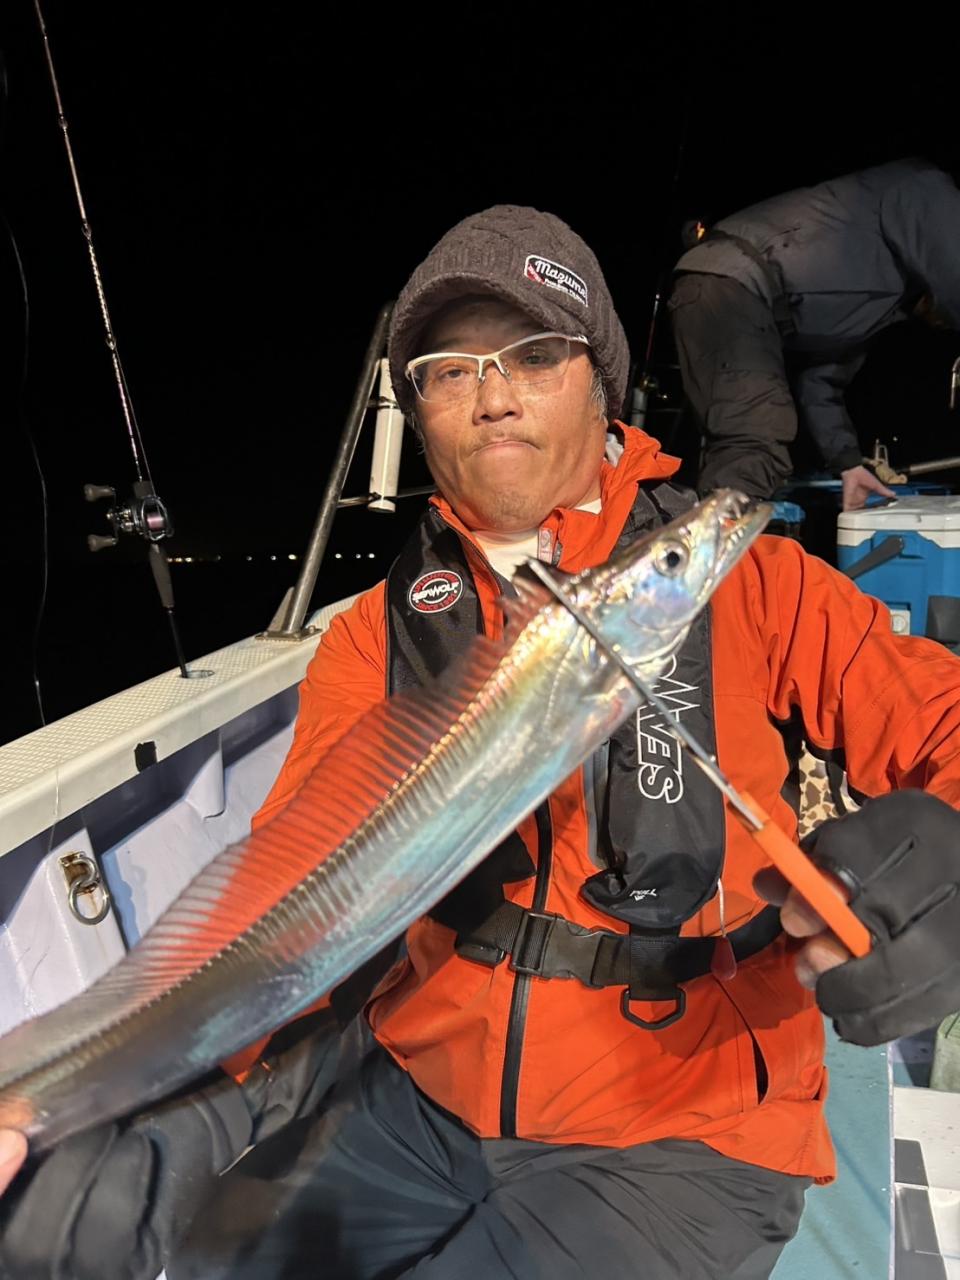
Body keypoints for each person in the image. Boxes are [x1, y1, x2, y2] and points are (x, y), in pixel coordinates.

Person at [3, 205, 960, 1280]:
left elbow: (944, 720)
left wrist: (949, 855)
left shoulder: (755, 581)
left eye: (535, 355)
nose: (493, 394)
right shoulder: (374, 634)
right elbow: (298, 894)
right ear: (419, 412)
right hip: (420, 1088)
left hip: (684, 1125)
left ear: (601, 383)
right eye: (449, 371)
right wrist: (173, 1100)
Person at [669, 159, 960, 508]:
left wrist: (848, 464)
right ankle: (720, 540)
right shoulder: (927, 188)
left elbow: (821, 385)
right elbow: (953, 270)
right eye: (944, 317)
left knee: (744, 436)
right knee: (757, 431)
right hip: (735, 281)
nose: (942, 323)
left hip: (734, 295)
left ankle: (712, 528)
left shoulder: (874, 311)